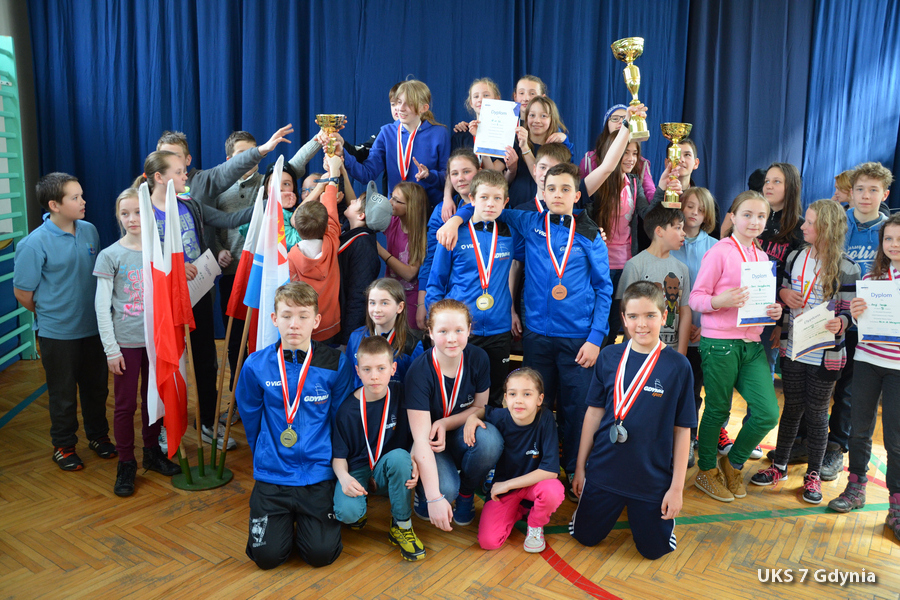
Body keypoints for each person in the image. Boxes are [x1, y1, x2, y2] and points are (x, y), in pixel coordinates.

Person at [438, 162, 613, 497]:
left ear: (577, 195)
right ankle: (531, 473)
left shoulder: (590, 234)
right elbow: (485, 205)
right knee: (534, 408)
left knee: (576, 409)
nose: (558, 195)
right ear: (541, 193)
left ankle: (577, 473)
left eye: (565, 189)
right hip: (536, 336)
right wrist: (456, 219)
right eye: (552, 189)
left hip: (578, 340)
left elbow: (604, 289)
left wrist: (595, 338)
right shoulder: (529, 221)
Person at [134, 149, 263, 451]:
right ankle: (166, 426)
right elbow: (141, 257)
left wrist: (263, 206)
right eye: (179, 172)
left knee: (205, 359)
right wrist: (177, 267)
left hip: (198, 291)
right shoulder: (142, 211)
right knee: (168, 360)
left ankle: (206, 422)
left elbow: (226, 219)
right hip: (164, 298)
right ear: (159, 177)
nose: (185, 177)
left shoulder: (189, 204)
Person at [570, 281, 695, 560]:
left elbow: (682, 429)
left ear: (664, 316)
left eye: (650, 315)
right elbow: (593, 414)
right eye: (634, 316)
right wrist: (580, 468)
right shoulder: (608, 356)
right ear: (624, 319)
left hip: (651, 477)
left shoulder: (678, 366)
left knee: (654, 551)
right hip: (604, 470)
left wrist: (676, 489)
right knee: (585, 537)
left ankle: (641, 513)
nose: (642, 324)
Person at [236, 282, 353, 569]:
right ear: (274, 319)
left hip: (317, 473)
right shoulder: (256, 365)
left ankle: (305, 524)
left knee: (321, 555)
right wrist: (266, 453)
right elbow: (251, 420)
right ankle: (284, 524)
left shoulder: (336, 363)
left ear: (316, 320)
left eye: (303, 316)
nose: (294, 324)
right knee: (266, 558)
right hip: (273, 474)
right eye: (286, 316)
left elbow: (340, 421)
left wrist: (333, 465)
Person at [750, 199, 858, 503]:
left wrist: (842, 321)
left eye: (810, 222)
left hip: (826, 354)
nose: (803, 226)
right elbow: (782, 291)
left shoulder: (847, 267)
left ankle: (813, 475)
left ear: (826, 228)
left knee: (817, 413)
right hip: (794, 347)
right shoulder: (796, 256)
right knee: (792, 408)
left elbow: (851, 312)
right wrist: (784, 293)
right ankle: (780, 466)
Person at [13, 173, 114, 471]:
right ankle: (64, 445)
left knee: (96, 389)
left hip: (93, 329)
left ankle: (98, 436)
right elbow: (23, 293)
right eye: (75, 197)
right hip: (57, 335)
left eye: (81, 195)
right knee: (63, 394)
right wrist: (53, 313)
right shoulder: (33, 244)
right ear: (54, 205)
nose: (83, 202)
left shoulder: (89, 230)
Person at [689, 191, 782, 503]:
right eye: (747, 214)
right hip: (719, 344)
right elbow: (696, 299)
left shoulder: (762, 258)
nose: (754, 221)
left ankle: (733, 463)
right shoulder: (719, 252)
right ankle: (706, 470)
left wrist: (773, 310)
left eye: (761, 216)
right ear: (733, 217)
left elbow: (759, 303)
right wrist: (721, 300)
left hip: (751, 344)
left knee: (767, 413)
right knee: (718, 409)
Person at [94, 188, 181, 496]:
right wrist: (111, 349)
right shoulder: (111, 255)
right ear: (118, 217)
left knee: (153, 400)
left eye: (138, 212)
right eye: (125, 213)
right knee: (125, 404)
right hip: (127, 343)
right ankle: (126, 462)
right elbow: (102, 307)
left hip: (157, 342)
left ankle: (151, 452)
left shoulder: (160, 251)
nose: (131, 219)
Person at [828, 213, 900, 542]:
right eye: (889, 239)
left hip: (897, 368)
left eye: (899, 239)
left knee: (895, 440)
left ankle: (896, 505)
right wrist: (856, 315)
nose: (894, 245)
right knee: (859, 430)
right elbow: (862, 323)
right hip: (868, 360)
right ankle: (856, 487)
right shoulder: (872, 277)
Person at [405, 300, 502, 531]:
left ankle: (466, 493)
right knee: (444, 492)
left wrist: (445, 422)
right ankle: (425, 494)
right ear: (430, 332)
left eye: (459, 330)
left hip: (459, 435)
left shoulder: (478, 358)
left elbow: (480, 407)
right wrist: (434, 497)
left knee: (490, 440)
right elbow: (421, 440)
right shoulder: (419, 371)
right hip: (429, 442)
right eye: (443, 331)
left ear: (469, 330)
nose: (451, 339)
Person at [426, 170, 519, 408]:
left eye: (497, 198)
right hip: (461, 331)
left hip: (499, 330)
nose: (490, 204)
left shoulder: (511, 233)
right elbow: (435, 283)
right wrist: (437, 325)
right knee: (458, 395)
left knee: (495, 397)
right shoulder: (453, 233)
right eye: (484, 197)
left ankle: (492, 433)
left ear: (505, 202)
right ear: (472, 199)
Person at [825, 162, 894, 478]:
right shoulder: (836, 222)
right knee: (818, 383)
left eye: (873, 190)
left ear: (885, 195)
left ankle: (836, 446)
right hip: (830, 316)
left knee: (850, 391)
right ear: (850, 192)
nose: (866, 196)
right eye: (860, 189)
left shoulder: (891, 233)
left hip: (870, 325)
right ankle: (806, 441)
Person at [331, 335, 425, 561]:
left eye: (381, 368)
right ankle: (359, 508)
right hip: (358, 469)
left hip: (390, 467)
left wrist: (414, 456)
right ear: (358, 371)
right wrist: (344, 478)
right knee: (347, 513)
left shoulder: (402, 395)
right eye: (367, 369)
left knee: (401, 458)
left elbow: (420, 432)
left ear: (393, 369)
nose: (374, 376)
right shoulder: (347, 411)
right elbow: (339, 457)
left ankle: (401, 524)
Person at [466, 368, 564, 553]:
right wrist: (472, 417)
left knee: (553, 490)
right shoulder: (501, 416)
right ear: (505, 398)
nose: (518, 400)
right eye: (512, 394)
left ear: (539, 399)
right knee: (488, 541)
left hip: (532, 486)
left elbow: (550, 471)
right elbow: (484, 411)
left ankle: (535, 525)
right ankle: (519, 511)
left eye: (527, 394)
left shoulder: (545, 419)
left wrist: (507, 484)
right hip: (506, 490)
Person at [336, 80, 450, 207]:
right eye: (399, 102)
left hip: (428, 210)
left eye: (409, 103)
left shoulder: (439, 133)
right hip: (396, 211)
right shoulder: (386, 133)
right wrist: (343, 153)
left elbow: (448, 178)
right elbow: (366, 174)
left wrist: (430, 175)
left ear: (424, 108)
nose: (400, 108)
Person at [670, 187, 718, 467]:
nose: (694, 213)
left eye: (701, 209)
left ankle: (688, 439)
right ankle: (665, 437)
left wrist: (701, 325)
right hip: (670, 332)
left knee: (692, 390)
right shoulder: (668, 240)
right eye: (689, 206)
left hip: (701, 333)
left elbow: (717, 291)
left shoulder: (714, 247)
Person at [417, 148, 482, 329]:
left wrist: (457, 219)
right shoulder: (441, 211)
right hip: (453, 305)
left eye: (466, 171)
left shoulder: (492, 207)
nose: (460, 178)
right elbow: (429, 259)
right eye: (455, 173)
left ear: (479, 172)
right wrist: (422, 303)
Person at [617, 205, 691, 355]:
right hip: (640, 351)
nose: (684, 233)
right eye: (678, 228)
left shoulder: (682, 268)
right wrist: (638, 348)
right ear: (659, 231)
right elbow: (624, 308)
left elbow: (685, 310)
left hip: (671, 350)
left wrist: (681, 352)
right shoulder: (635, 265)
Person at [288, 155, 344, 343]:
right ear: (326, 224)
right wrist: (333, 174)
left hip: (304, 329)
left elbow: (294, 218)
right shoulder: (332, 240)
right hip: (331, 326)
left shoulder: (291, 257)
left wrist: (322, 184)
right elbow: (331, 208)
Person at [338, 181, 393, 347]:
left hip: (345, 332)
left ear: (361, 216)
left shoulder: (363, 246)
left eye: (356, 201)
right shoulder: (352, 232)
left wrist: (347, 341)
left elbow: (358, 297)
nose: (351, 200)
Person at [346, 278, 424, 390]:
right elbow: (349, 378)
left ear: (400, 307)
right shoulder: (356, 337)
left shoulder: (412, 345)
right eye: (372, 303)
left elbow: (415, 387)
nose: (376, 309)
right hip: (361, 399)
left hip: (394, 400)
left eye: (384, 303)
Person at [379, 181, 428, 331]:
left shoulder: (421, 235)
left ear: (411, 207)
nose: (390, 202)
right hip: (391, 295)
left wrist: (380, 250)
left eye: (396, 200)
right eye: (391, 197)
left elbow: (409, 274)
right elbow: (361, 212)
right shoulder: (393, 222)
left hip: (411, 301)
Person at [580, 104, 655, 201]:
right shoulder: (590, 160)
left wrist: (663, 193)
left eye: (625, 118)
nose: (621, 122)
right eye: (615, 118)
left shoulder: (641, 163)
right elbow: (578, 194)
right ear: (606, 125)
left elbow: (650, 194)